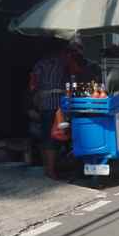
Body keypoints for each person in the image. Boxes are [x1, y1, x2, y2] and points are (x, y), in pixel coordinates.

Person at [30, 43, 73, 179]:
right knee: (54, 138)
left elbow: (33, 85)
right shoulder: (62, 63)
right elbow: (70, 80)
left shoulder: (39, 64)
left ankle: (47, 168)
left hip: (43, 104)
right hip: (57, 106)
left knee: (46, 136)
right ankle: (51, 171)